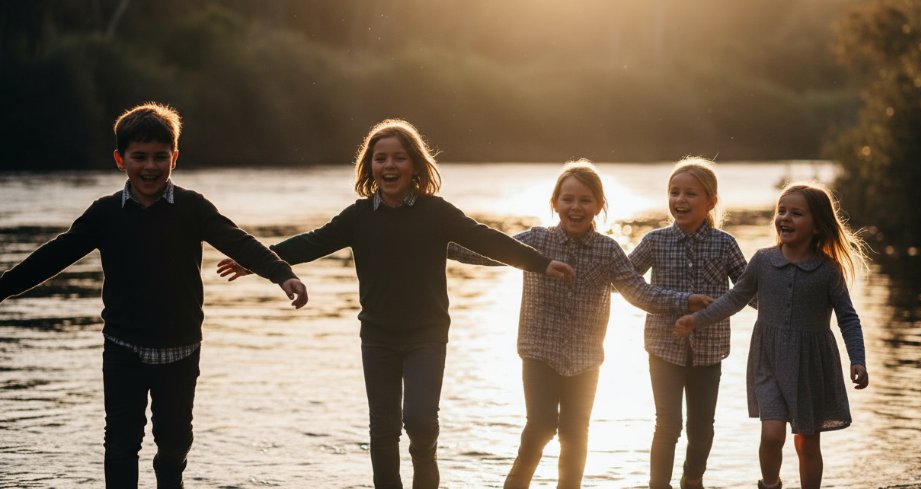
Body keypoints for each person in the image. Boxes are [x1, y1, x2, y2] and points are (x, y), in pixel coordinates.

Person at [217, 118, 575, 489]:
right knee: (384, 428)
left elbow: (485, 239)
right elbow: (310, 242)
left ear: (415, 165)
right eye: (381, 158)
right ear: (370, 166)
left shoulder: (435, 212)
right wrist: (256, 261)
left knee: (420, 422)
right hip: (378, 337)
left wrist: (540, 263)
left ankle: (425, 467)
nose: (389, 166)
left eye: (399, 158)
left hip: (427, 335)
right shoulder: (358, 217)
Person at [0, 102, 308, 489]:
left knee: (175, 440)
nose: (150, 167)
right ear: (120, 160)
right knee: (121, 442)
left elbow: (238, 241)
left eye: (160, 157)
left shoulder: (192, 208)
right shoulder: (105, 213)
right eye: (139, 157)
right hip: (122, 346)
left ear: (174, 159)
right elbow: (54, 256)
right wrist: (3, 289)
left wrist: (282, 274)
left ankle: (169, 475)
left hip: (180, 349)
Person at [448, 159, 712, 489]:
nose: (575, 207)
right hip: (538, 352)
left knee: (575, 436)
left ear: (599, 206)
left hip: (586, 361)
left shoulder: (608, 250)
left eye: (585, 200)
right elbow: (487, 252)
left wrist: (683, 300)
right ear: (554, 203)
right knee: (541, 425)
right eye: (568, 199)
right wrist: (435, 243)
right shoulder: (537, 240)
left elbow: (640, 293)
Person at [673, 182, 870, 489]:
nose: (785, 218)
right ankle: (770, 484)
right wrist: (697, 320)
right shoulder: (763, 261)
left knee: (807, 442)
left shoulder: (828, 270)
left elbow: (848, 317)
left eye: (796, 213)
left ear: (817, 226)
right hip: (769, 362)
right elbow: (734, 298)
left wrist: (857, 359)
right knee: (772, 433)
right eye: (781, 211)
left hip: (810, 365)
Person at [628, 157, 748, 489]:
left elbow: (747, 292)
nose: (680, 200)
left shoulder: (725, 244)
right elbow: (625, 281)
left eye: (690, 194)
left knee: (701, 426)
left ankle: (692, 479)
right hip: (663, 347)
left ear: (710, 201)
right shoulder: (655, 241)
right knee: (667, 424)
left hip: (709, 351)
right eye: (674, 192)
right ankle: (658, 485)